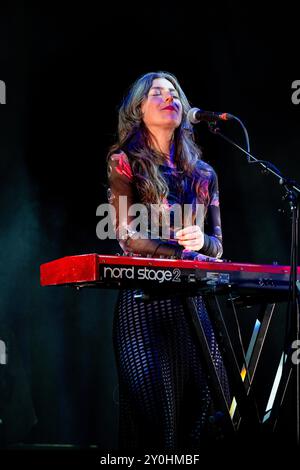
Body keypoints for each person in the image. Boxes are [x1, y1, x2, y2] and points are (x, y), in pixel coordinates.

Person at [106, 71, 230, 452]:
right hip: (144, 307)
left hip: (193, 307)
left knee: (205, 421)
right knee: (158, 431)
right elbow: (126, 236)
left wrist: (203, 242)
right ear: (139, 110)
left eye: (174, 92)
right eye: (157, 93)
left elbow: (218, 246)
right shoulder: (123, 161)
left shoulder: (205, 174)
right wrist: (183, 251)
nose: (169, 98)